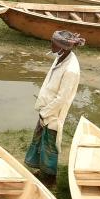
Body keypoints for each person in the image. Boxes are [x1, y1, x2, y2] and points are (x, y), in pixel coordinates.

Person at [25, 30, 84, 188]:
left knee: (50, 145)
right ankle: (42, 172)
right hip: (46, 109)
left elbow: (62, 98)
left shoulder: (71, 69)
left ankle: (50, 179)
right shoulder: (60, 57)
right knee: (40, 141)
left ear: (62, 47)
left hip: (53, 113)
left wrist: (46, 113)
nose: (51, 45)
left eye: (54, 43)